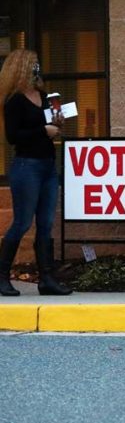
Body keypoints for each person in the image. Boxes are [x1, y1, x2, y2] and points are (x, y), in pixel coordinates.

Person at [0, 49, 70, 296]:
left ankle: (47, 279)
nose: (37, 68)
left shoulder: (43, 95)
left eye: (37, 64)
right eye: (33, 64)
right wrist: (44, 130)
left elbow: (46, 127)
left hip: (47, 166)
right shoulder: (15, 100)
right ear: (21, 68)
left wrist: (56, 125)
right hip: (26, 166)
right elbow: (13, 137)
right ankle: (2, 276)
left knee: (46, 223)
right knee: (22, 222)